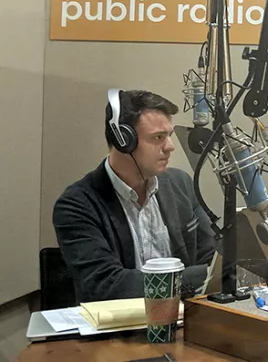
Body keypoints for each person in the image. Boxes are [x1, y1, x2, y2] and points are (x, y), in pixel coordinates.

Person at [53, 89, 217, 303]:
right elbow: (107, 286)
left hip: (185, 321)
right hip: (117, 332)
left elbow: (211, 257)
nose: (170, 146)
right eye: (158, 137)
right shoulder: (77, 204)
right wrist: (201, 276)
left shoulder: (181, 184)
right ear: (123, 141)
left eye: (169, 135)